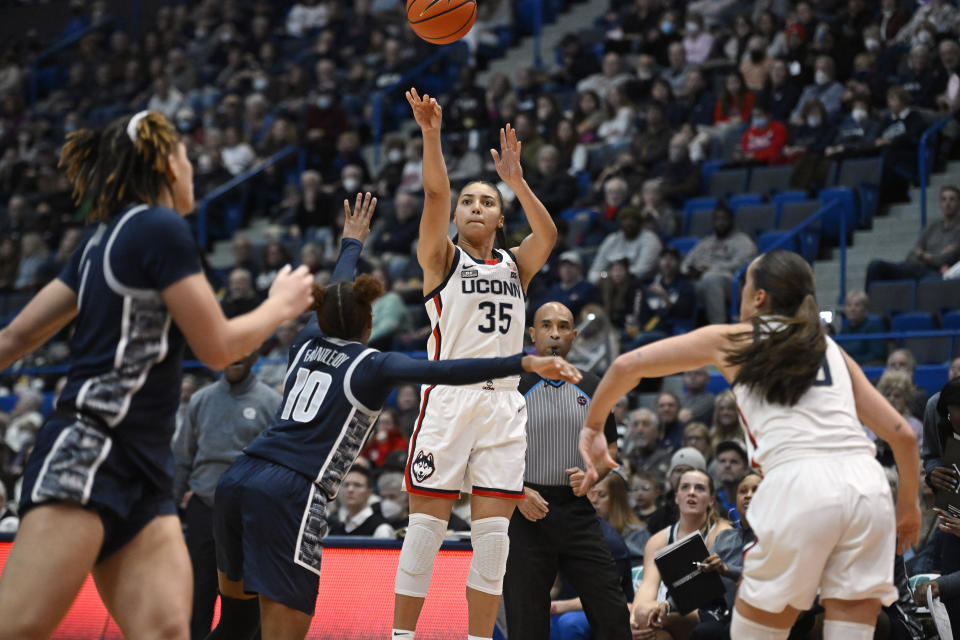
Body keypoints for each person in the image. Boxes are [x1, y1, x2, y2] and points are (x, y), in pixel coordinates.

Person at [0, 110, 315, 640]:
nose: (191, 166)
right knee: (19, 626)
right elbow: (217, 348)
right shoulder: (157, 226)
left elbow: (15, 338)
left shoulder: (103, 238)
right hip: (91, 448)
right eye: (187, 156)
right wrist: (279, 306)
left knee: (168, 631)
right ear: (168, 162)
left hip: (144, 470)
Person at [208, 263, 581, 638]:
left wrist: (350, 245)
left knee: (236, 623)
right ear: (369, 321)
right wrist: (522, 361)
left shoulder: (304, 342)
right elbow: (449, 371)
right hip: (290, 488)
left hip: (238, 475)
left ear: (320, 317)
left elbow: (335, 295)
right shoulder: (372, 364)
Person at [580, 249, 921, 640]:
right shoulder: (831, 350)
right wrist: (909, 507)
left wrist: (593, 427)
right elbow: (903, 436)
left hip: (800, 485)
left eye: (744, 286)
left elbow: (627, 366)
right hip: (868, 489)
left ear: (759, 297)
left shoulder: (735, 339)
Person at [393, 89, 559, 640]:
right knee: (424, 531)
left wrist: (516, 180)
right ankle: (402, 638)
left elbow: (550, 234)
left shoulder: (516, 265)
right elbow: (436, 190)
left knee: (493, 543)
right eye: (470, 201)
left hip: (504, 405)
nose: (476, 207)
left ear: (500, 217)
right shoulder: (440, 257)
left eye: (487, 202)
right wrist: (431, 134)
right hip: (448, 401)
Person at [502, 301, 631, 640]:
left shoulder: (594, 386)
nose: (554, 333)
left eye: (563, 326)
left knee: (612, 612)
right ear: (532, 333)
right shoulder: (510, 387)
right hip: (526, 512)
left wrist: (595, 472)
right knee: (526, 622)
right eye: (546, 325)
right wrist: (516, 492)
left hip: (577, 511)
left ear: (574, 336)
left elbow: (611, 449)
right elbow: (485, 453)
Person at [173, 330, 283, 640]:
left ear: (255, 355)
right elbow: (183, 457)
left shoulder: (272, 402)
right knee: (198, 593)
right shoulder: (200, 399)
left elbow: (278, 463)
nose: (234, 357)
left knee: (250, 597)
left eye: (242, 350)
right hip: (203, 509)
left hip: (251, 514)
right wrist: (171, 506)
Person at [627, 468, 732, 639]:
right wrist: (635, 624)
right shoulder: (658, 540)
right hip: (672, 610)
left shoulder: (722, 534)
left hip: (711, 612)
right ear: (676, 497)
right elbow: (648, 586)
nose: (691, 493)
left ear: (711, 500)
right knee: (647, 622)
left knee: (649, 614)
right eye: (685, 487)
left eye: (699, 488)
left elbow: (725, 591)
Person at [690, 472, 761, 639]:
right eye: (743, 491)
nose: (748, 495)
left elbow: (761, 578)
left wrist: (727, 569)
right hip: (724, 613)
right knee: (701, 633)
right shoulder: (724, 538)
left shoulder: (775, 538)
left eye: (756, 491)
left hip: (761, 613)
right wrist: (666, 605)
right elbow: (703, 579)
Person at [866, 185, 960, 288]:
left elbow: (946, 259)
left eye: (952, 199)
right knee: (875, 266)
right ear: (940, 203)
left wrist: (922, 255)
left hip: (934, 272)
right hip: (914, 268)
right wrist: (929, 256)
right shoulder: (932, 226)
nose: (947, 203)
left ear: (958, 203)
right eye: (944, 199)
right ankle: (866, 303)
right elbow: (912, 254)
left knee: (930, 282)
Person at [681, 204, 758, 325]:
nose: (720, 222)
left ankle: (718, 326)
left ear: (731, 221)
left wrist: (709, 270)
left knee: (711, 278)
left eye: (724, 219)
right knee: (680, 283)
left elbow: (742, 264)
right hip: (700, 281)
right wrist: (688, 271)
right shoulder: (705, 242)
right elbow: (686, 263)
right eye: (717, 219)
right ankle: (680, 328)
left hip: (732, 284)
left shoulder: (743, 241)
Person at [329, 466, 394, 538]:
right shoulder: (335, 528)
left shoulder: (381, 529)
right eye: (346, 485)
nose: (350, 489)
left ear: (369, 492)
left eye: (357, 485)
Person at [836, 289, 886, 366]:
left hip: (865, 368)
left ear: (865, 309)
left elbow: (877, 354)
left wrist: (850, 361)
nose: (852, 309)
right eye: (849, 305)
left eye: (857, 305)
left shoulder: (873, 326)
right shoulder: (844, 329)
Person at [712, 440, 749, 527]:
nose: (727, 465)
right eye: (722, 461)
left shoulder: (755, 502)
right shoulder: (710, 502)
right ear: (716, 467)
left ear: (746, 470)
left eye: (734, 461)